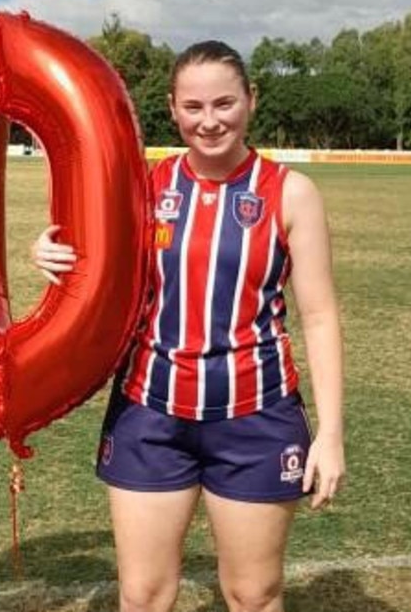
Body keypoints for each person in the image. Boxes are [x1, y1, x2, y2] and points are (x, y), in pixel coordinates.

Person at [34, 40, 345, 612]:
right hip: (149, 413)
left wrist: (330, 432)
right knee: (144, 594)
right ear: (173, 110)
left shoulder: (290, 193)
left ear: (251, 101)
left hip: (257, 417)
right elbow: (90, 266)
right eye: (193, 107)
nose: (210, 121)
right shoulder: (142, 187)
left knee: (253, 593)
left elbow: (319, 315)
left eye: (224, 103)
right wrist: (48, 255)